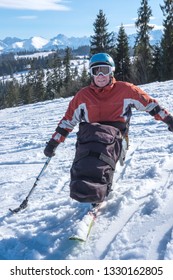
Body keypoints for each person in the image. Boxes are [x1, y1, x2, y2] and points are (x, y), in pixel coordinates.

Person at [44, 53, 173, 204]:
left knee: (103, 154)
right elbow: (67, 121)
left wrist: (169, 120)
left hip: (117, 138)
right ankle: (84, 185)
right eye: (95, 71)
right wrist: (53, 143)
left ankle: (102, 187)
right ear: (91, 74)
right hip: (91, 137)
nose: (100, 75)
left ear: (111, 71)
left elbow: (151, 105)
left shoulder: (126, 90)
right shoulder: (83, 96)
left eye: (104, 70)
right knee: (86, 155)